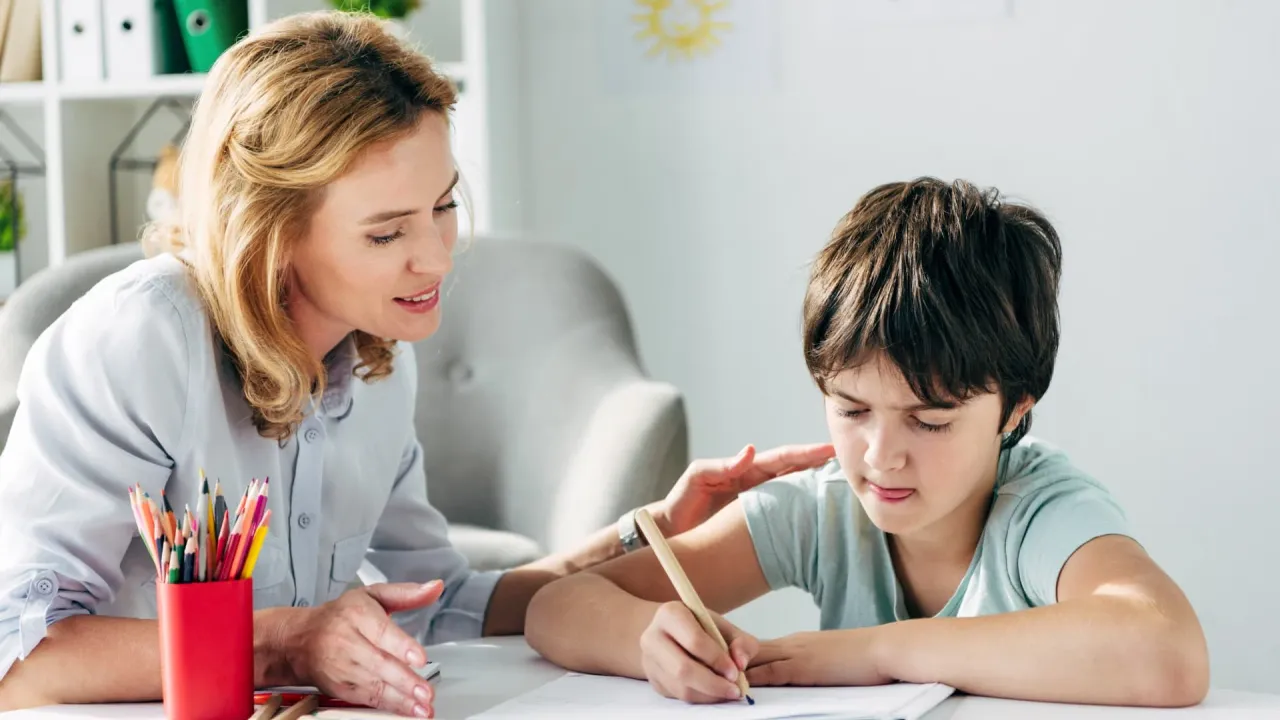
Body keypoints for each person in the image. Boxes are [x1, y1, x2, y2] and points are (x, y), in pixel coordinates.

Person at [0, 11, 835, 716]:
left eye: (442, 207)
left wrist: (643, 535)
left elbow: (442, 603)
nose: (437, 258)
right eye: (386, 232)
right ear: (271, 231)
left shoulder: (377, 362)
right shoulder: (137, 341)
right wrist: (289, 641)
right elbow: (20, 655)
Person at [525, 178, 1211, 708]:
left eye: (929, 421)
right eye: (851, 409)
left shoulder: (1041, 512)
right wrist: (649, 643)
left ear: (1013, 411)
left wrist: (878, 652)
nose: (882, 456)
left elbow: (1168, 649)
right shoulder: (820, 508)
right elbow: (556, 606)